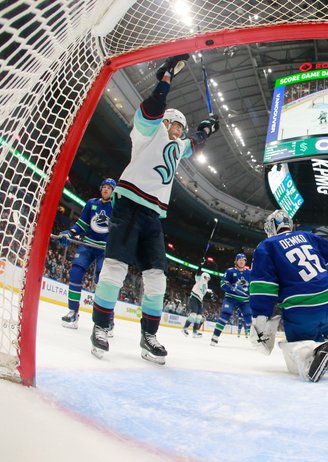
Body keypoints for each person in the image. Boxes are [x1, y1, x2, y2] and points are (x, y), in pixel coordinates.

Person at [89, 54, 219, 364]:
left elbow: (193, 144)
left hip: (152, 216)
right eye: (176, 124)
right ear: (166, 121)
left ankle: (149, 335)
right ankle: (101, 326)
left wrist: (205, 129)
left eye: (181, 127)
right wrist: (165, 79)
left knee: (158, 278)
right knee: (116, 268)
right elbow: (153, 108)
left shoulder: (177, 146)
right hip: (129, 205)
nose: (179, 129)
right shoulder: (148, 130)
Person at [249, 209, 328, 382]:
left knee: (295, 346)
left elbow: (263, 288)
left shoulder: (266, 246)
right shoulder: (307, 236)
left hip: (302, 309)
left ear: (271, 228)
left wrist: (260, 319)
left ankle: (311, 358)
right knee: (326, 326)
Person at [58, 178, 116, 331]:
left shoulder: (117, 207)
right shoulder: (91, 203)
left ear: (113, 191)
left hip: (105, 249)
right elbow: (82, 223)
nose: (106, 189)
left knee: (103, 281)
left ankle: (108, 319)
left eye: (109, 188)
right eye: (104, 186)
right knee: (76, 273)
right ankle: (73, 312)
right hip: (88, 245)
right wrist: (71, 232)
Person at [211, 253, 253, 346]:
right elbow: (222, 284)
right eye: (240, 260)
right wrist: (232, 288)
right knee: (225, 314)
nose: (242, 261)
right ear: (236, 261)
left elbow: (254, 285)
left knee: (249, 318)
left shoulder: (249, 272)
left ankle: (255, 341)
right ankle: (215, 336)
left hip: (245, 300)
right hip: (231, 297)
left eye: (243, 260)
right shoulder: (230, 271)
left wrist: (251, 293)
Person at [182, 271, 212, 337]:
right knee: (193, 314)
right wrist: (200, 266)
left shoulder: (206, 285)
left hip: (200, 300)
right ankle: (185, 328)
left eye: (209, 278)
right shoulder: (199, 280)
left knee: (199, 317)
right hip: (194, 298)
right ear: (204, 276)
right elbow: (198, 274)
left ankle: (195, 332)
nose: (208, 279)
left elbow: (203, 292)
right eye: (207, 278)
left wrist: (211, 295)